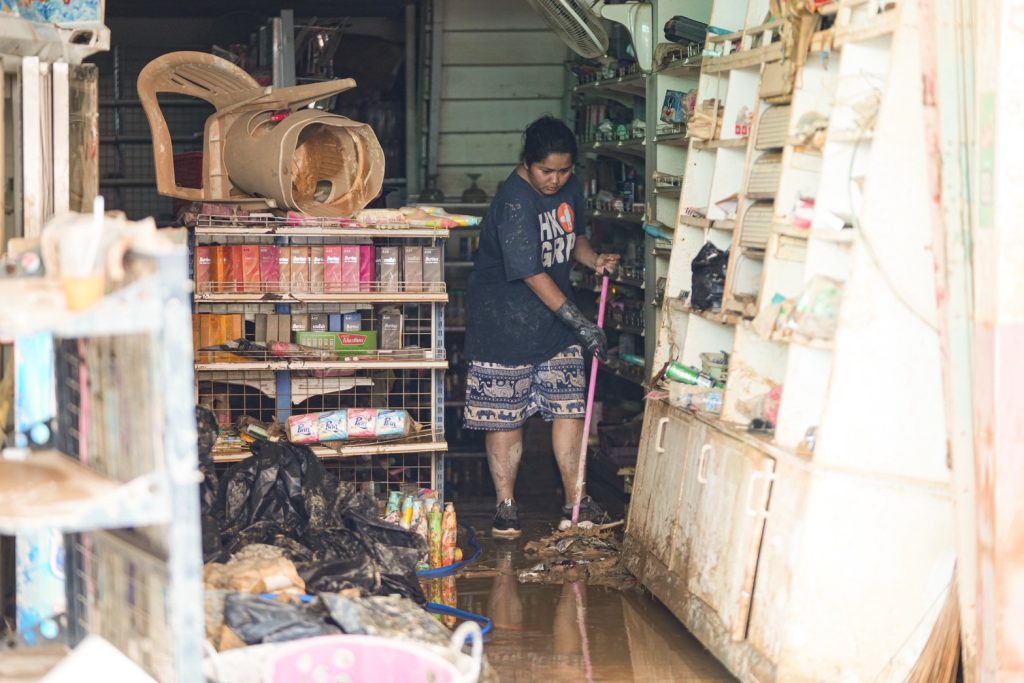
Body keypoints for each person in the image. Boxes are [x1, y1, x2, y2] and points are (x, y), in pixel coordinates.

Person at [463, 115, 620, 538]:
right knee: (504, 416)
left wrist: (594, 259)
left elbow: (574, 236)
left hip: (553, 321)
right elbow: (532, 273)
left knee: (569, 408)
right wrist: (579, 322)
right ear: (527, 162)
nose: (555, 180)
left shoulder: (568, 187)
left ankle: (576, 501)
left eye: (563, 171)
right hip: (504, 322)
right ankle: (506, 507)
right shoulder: (514, 202)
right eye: (546, 171)